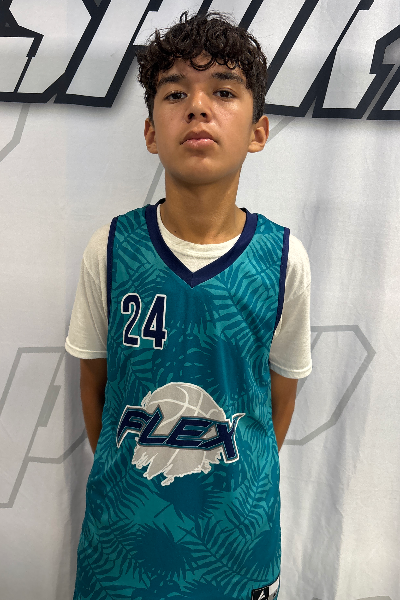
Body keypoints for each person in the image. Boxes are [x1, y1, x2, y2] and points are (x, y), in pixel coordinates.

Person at [66, 11, 312, 600]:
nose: (198, 107)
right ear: (151, 131)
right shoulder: (111, 248)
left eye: (223, 91)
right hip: (122, 544)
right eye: (176, 93)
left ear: (258, 131)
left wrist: (234, 473)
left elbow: (279, 396)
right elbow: (94, 383)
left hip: (238, 546)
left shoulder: (284, 259)